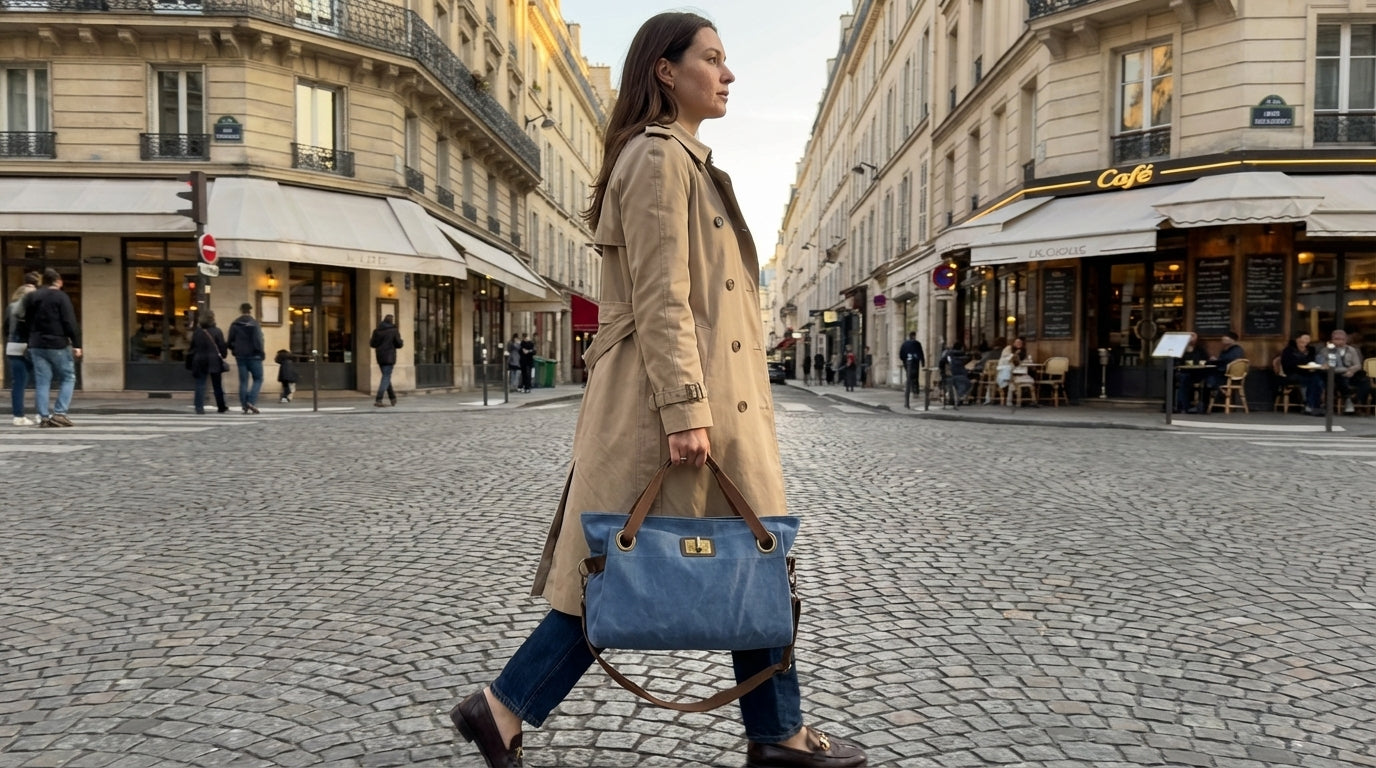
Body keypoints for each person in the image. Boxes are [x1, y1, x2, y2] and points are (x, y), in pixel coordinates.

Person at [448, 13, 866, 768]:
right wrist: (683, 411)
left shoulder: (683, 161)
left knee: (742, 560)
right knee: (631, 566)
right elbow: (662, 296)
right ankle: (507, 707)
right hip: (670, 407)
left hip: (703, 402)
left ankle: (773, 733)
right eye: (712, 58)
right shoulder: (655, 157)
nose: (728, 73)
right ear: (666, 71)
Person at [21, 268, 81, 428]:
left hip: (36, 343)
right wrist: (77, 344)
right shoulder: (61, 297)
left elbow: (26, 320)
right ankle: (60, 413)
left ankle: (43, 417)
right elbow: (69, 322)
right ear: (59, 281)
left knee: (42, 381)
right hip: (57, 342)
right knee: (68, 377)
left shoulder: (32, 296)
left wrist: (30, 339)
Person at [4, 272, 40, 426]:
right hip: (31, 345)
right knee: (41, 381)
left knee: (18, 383)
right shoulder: (33, 308)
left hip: (13, 345)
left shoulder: (11, 307)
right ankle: (41, 414)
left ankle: (18, 416)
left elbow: (6, 327)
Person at [1316, 329, 1369, 414]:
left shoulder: (1351, 350)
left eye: (1341, 339)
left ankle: (1358, 402)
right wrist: (1344, 370)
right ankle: (1348, 400)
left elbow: (1358, 365)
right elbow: (1325, 365)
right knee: (1340, 378)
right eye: (1336, 339)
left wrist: (1351, 371)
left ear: (1345, 340)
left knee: (1364, 380)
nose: (1339, 341)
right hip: (1334, 374)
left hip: (1350, 373)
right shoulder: (1325, 351)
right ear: (1332, 340)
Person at [187, 310, 230, 415]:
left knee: (200, 384)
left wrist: (190, 360)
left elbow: (192, 347)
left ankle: (199, 407)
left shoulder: (197, 332)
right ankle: (221, 406)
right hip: (214, 360)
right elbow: (222, 346)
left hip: (199, 360)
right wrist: (223, 355)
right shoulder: (217, 331)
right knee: (217, 385)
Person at [227, 302, 265, 414]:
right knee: (258, 379)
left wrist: (235, 350)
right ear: (250, 310)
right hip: (254, 355)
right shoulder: (255, 324)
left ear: (241, 310)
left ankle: (244, 405)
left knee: (243, 381)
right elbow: (259, 340)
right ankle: (251, 401)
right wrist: (261, 352)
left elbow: (230, 341)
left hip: (240, 356)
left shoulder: (235, 324)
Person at [1278, 331, 1321, 416]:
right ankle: (1311, 405)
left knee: (1318, 380)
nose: (1307, 341)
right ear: (1297, 339)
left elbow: (1312, 361)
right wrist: (1302, 364)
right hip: (1292, 373)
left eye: (1308, 338)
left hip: (1307, 372)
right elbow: (1287, 365)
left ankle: (1311, 405)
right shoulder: (1289, 350)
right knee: (1312, 381)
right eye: (1305, 338)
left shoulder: (1311, 350)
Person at [1203, 330, 1245, 407]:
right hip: (1224, 373)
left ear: (1232, 340)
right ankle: (1212, 392)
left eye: (1226, 337)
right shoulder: (1226, 350)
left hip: (1228, 376)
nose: (1223, 338)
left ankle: (1209, 396)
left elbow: (1229, 362)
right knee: (1207, 375)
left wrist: (1216, 361)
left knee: (1208, 377)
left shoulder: (1236, 350)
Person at [370, 314, 403, 407]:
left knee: (386, 377)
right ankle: (379, 399)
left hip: (380, 357)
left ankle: (392, 398)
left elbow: (372, 344)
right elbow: (399, 344)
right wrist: (401, 341)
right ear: (391, 321)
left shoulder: (377, 331)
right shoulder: (394, 330)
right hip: (389, 357)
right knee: (386, 377)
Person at [1174, 331, 1210, 413]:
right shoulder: (1181, 350)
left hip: (1196, 373)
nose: (1191, 338)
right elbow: (1176, 362)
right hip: (1183, 372)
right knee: (1184, 379)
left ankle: (1185, 406)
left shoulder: (1200, 350)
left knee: (1188, 380)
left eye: (1193, 336)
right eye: (1190, 336)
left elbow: (1205, 360)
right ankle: (1183, 406)